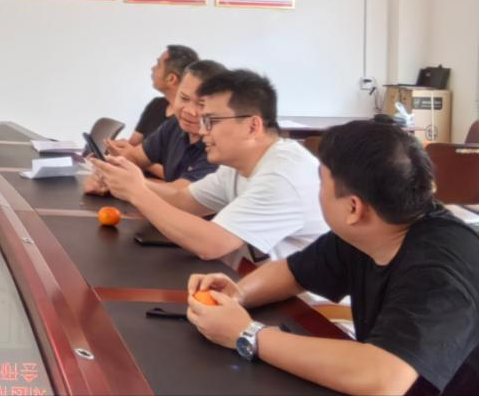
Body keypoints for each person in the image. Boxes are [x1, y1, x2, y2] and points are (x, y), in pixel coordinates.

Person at [186, 120, 479, 396]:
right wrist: (237, 296)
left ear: (353, 208)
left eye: (321, 183)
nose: (318, 192)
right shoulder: (373, 228)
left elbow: (383, 378)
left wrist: (247, 333)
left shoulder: (440, 271)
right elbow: (292, 272)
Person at [92, 69, 327, 262]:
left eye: (211, 121)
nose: (203, 130)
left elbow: (211, 244)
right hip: (254, 282)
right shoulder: (237, 165)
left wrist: (138, 192)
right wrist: (128, 180)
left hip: (307, 302)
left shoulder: (281, 177)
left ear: (252, 126)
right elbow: (184, 201)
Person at [87, 59, 225, 193]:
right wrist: (105, 172)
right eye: (184, 98)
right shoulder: (174, 125)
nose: (189, 111)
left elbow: (181, 194)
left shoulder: (219, 145)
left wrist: (123, 182)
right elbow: (135, 158)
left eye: (201, 104)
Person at [129, 44, 199, 144]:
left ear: (171, 79)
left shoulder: (189, 120)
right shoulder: (156, 105)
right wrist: (118, 147)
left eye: (158, 65)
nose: (152, 68)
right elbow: (133, 143)